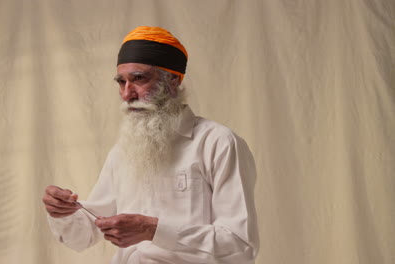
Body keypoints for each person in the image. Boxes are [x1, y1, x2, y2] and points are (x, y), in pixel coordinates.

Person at [42, 26, 259, 263]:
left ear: (173, 80)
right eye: (121, 82)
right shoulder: (123, 151)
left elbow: (239, 245)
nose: (127, 94)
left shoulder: (218, 143)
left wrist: (153, 230)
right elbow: (82, 237)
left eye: (138, 79)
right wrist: (63, 212)